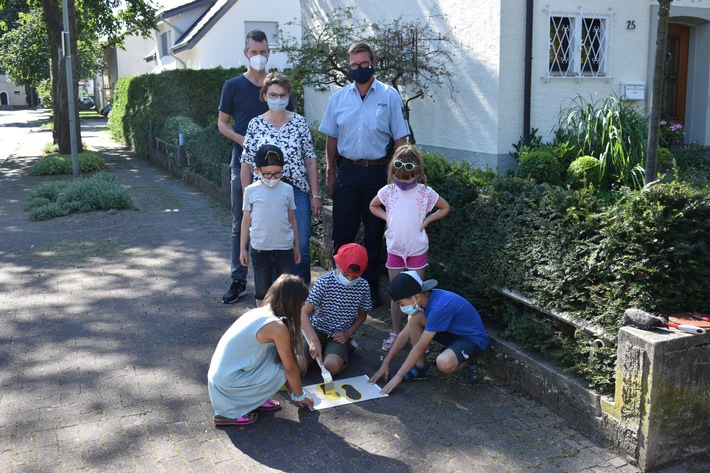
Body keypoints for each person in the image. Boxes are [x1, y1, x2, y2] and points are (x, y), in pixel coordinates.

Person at [318, 41, 410, 306]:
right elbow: (331, 139)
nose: (358, 69)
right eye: (353, 65)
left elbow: (400, 140)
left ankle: (367, 292)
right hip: (347, 172)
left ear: (374, 63)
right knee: (343, 233)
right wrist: (330, 174)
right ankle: (338, 288)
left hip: (378, 174)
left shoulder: (389, 95)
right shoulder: (338, 98)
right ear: (349, 67)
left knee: (373, 233)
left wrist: (396, 179)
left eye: (363, 64)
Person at [218, 29, 296, 304]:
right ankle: (238, 278)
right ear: (246, 53)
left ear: (269, 53)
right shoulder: (233, 86)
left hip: (276, 171)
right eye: (254, 52)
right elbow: (222, 123)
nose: (259, 57)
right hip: (242, 163)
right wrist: (245, 141)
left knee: (278, 216)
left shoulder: (279, 88)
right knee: (241, 220)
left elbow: (292, 122)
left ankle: (277, 283)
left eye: (263, 52)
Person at [242, 72, 322, 285]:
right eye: (273, 94)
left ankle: (301, 299)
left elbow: (311, 160)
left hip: (295, 190)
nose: (278, 99)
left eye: (283, 95)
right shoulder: (255, 125)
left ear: (288, 96)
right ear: (264, 95)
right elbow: (246, 163)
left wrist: (315, 194)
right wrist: (246, 197)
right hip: (264, 192)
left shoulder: (299, 123)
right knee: (271, 245)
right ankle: (274, 298)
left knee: (301, 245)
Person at [369, 144, 450, 351]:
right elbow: (373, 205)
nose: (404, 183)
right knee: (396, 293)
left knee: (416, 295)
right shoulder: (388, 191)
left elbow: (444, 207)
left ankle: (417, 335)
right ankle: (396, 332)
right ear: (392, 172)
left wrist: (427, 221)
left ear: (418, 173)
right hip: (395, 249)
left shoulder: (424, 192)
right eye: (400, 178)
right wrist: (387, 217)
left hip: (416, 250)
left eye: (409, 179)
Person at [208, 274, 315, 426]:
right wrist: (299, 396)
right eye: (301, 303)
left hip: (224, 379)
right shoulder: (277, 327)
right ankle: (229, 414)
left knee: (278, 358)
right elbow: (289, 368)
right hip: (228, 385)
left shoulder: (262, 311)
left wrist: (293, 392)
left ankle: (253, 400)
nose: (302, 307)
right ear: (293, 302)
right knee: (284, 366)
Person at [369, 271, 489, 394]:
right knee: (414, 318)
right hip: (453, 333)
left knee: (444, 363)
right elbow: (404, 336)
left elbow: (420, 347)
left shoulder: (439, 307)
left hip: (473, 340)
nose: (402, 308)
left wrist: (399, 375)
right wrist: (386, 363)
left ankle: (469, 360)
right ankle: (421, 368)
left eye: (402, 304)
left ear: (416, 297)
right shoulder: (425, 299)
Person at [299, 243, 372, 376]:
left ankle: (344, 350)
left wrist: (347, 334)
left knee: (331, 366)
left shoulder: (363, 286)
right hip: (317, 330)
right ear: (337, 264)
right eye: (345, 274)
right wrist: (314, 341)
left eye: (354, 276)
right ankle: (322, 352)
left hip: (340, 334)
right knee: (298, 365)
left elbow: (362, 315)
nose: (349, 279)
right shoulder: (324, 282)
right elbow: (304, 312)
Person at [240, 144, 300, 307]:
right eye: (267, 174)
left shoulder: (287, 189)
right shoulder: (251, 191)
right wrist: (243, 248)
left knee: (286, 290)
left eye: (277, 173)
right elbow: (246, 220)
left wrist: (297, 246)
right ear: (257, 170)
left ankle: (287, 323)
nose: (273, 178)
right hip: (260, 248)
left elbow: (292, 218)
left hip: (284, 248)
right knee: (261, 291)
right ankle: (262, 323)